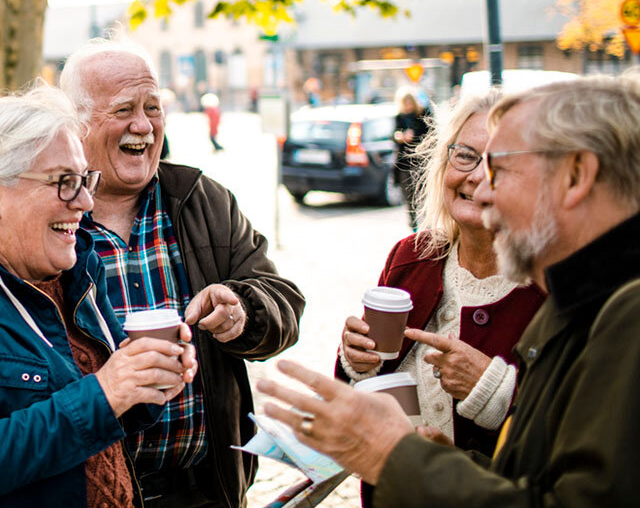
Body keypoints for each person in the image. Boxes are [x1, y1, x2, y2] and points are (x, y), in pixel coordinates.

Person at [259, 74, 640, 506]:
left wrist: (394, 457)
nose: (483, 188)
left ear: (576, 176)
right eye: (467, 158)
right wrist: (444, 465)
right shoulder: (580, 294)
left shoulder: (622, 310)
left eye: (501, 167)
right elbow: (540, 476)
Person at [0, 85, 198, 507]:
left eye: (84, 180)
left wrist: (146, 382)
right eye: (63, 182)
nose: (84, 201)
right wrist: (105, 393)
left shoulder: (76, 271)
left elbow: (100, 414)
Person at [61, 37, 306, 508]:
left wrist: (244, 310)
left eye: (153, 106)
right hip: (91, 494)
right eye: (123, 109)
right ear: (76, 123)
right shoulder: (52, 216)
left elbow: (283, 301)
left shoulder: (202, 198)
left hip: (203, 489)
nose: (144, 125)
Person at [335, 90, 546, 504]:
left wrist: (493, 389)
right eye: (465, 155)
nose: (477, 178)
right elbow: (366, 384)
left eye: (500, 164)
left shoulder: (548, 286)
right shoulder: (411, 256)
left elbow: (570, 434)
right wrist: (356, 362)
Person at [393, 87, 431, 231]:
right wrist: (400, 137)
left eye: (410, 102)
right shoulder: (399, 117)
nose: (408, 106)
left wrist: (413, 136)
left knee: (422, 194)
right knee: (408, 196)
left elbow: (430, 135)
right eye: (405, 103)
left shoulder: (422, 115)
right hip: (404, 163)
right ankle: (413, 226)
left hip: (420, 161)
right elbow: (393, 134)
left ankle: (426, 224)